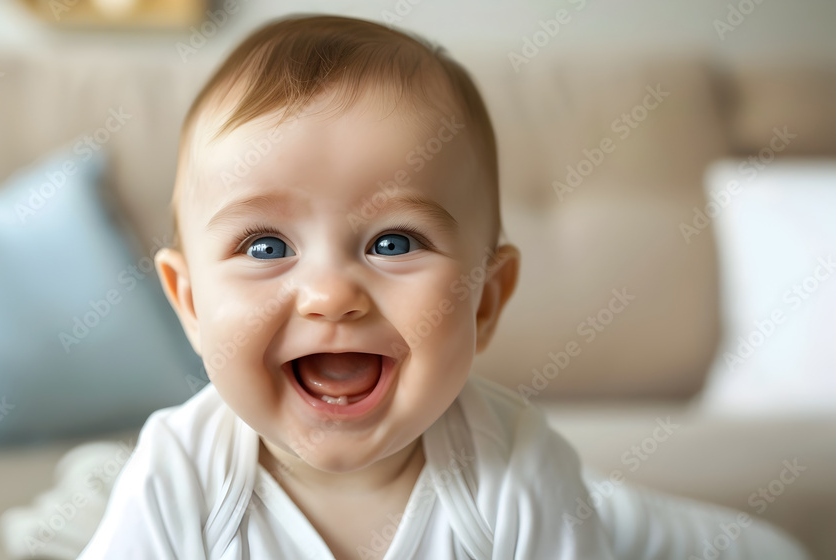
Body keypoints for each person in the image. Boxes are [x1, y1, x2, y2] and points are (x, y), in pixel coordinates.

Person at [78, 15, 809, 560]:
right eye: (266, 245)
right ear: (192, 303)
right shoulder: (177, 474)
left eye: (393, 242)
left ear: (485, 300)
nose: (331, 294)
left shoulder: (515, 468)